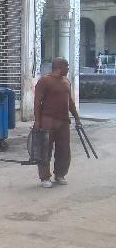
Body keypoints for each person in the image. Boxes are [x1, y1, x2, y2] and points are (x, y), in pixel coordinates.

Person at [33, 57, 83, 188]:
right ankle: (45, 177)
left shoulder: (66, 81)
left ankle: (60, 174)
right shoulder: (44, 81)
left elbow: (70, 102)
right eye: (66, 67)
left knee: (64, 149)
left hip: (63, 122)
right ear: (59, 67)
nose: (68, 69)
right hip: (48, 120)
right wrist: (37, 121)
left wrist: (77, 118)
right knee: (45, 149)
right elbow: (37, 103)